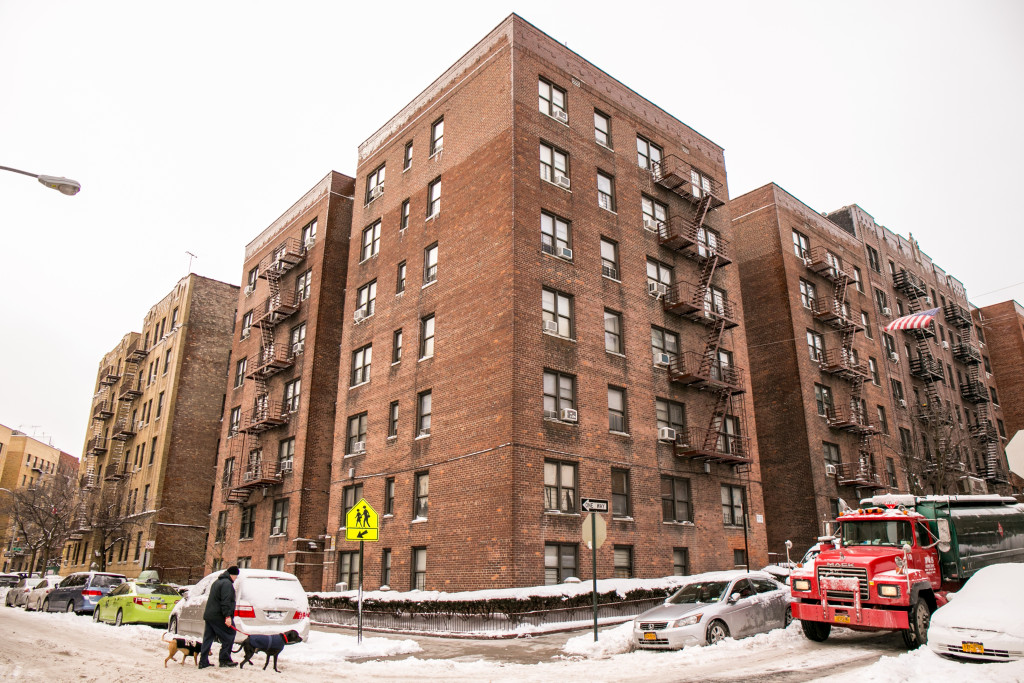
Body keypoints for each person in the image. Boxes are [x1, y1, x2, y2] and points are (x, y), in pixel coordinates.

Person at [198, 566, 239, 669]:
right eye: (236, 576)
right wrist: (227, 616)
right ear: (232, 575)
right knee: (230, 634)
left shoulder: (217, 582)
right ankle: (224, 660)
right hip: (219, 616)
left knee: (208, 638)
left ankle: (203, 661)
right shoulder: (227, 584)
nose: (236, 579)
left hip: (210, 615)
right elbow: (226, 601)